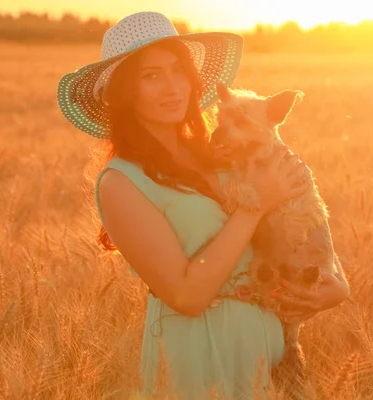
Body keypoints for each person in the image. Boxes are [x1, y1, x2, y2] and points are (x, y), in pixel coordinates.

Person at [56, 11, 350, 399]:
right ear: (125, 94)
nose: (173, 88)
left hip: (270, 353)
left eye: (179, 71)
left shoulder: (223, 153)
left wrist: (336, 288)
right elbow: (187, 296)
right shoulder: (121, 183)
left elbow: (305, 220)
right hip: (196, 358)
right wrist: (254, 206)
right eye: (151, 76)